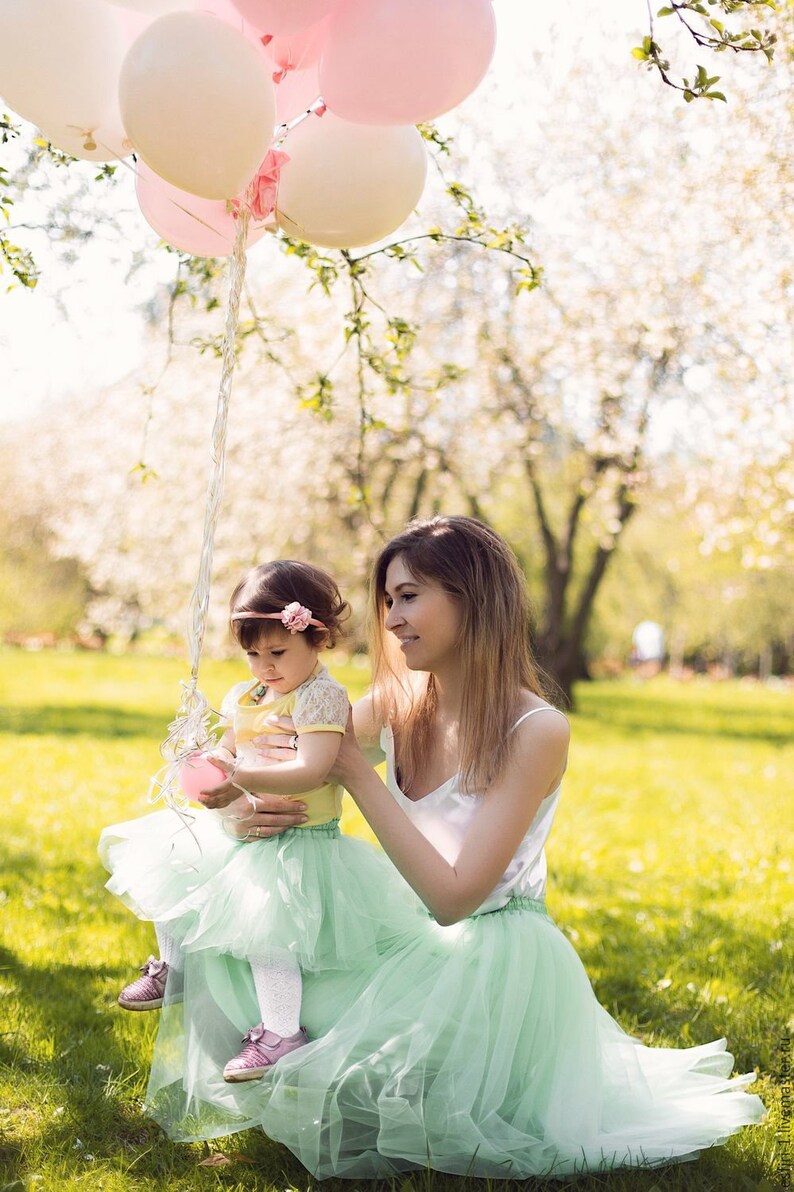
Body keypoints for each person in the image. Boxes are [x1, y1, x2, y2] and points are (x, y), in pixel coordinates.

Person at [145, 518, 767, 1177]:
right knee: (253, 949)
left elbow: (454, 899)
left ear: (473, 598)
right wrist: (236, 811)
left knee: (365, 1059)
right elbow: (284, 765)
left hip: (488, 956)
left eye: (410, 596)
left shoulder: (536, 729)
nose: (393, 620)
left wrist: (357, 774)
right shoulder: (396, 702)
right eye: (387, 601)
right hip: (407, 935)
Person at [99, 560, 423, 1086]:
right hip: (249, 830)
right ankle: (172, 967)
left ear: (315, 638)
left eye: (277, 652)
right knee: (172, 859)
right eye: (253, 654)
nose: (264, 667)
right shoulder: (247, 696)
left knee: (269, 937)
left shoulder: (320, 694)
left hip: (299, 842)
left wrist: (239, 777)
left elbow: (313, 769)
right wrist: (204, 769)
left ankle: (281, 1031)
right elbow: (228, 748)